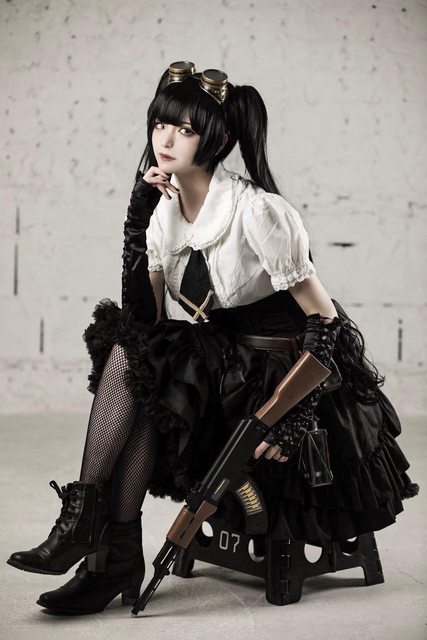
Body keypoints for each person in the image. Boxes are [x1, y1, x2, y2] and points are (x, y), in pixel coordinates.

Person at [7, 61, 419, 615]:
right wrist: (135, 221)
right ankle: (103, 542)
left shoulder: (259, 212)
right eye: (160, 124)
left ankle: (105, 546)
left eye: (184, 129)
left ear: (216, 140)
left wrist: (294, 415)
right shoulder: (164, 213)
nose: (165, 139)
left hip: (288, 367)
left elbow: (328, 324)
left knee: (144, 364)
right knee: (135, 355)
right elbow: (145, 322)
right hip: (227, 356)